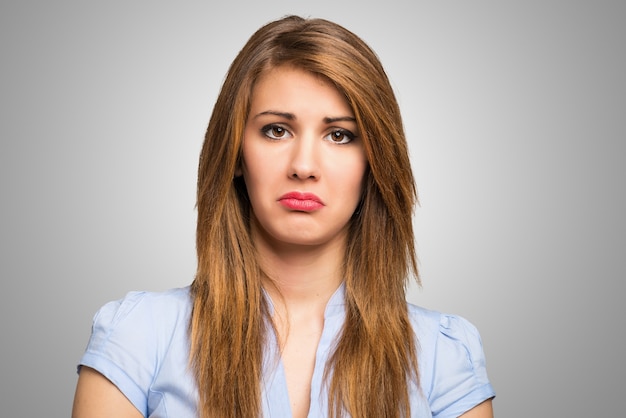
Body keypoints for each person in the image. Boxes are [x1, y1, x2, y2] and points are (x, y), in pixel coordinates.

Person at [72, 15, 495, 418]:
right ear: (236, 152)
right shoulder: (139, 338)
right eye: (277, 130)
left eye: (339, 135)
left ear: (374, 163)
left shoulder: (443, 356)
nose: (304, 165)